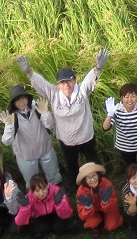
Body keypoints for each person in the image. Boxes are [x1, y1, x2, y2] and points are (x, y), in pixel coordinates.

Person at [17, 50, 109, 186]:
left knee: (93, 162)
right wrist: (29, 72)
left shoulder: (81, 91)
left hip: (86, 137)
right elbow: (41, 83)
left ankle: (101, 184)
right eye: (62, 83)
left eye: (69, 81)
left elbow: (89, 82)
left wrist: (98, 68)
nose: (66, 85)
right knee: (72, 166)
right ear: (58, 85)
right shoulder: (54, 93)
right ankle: (77, 187)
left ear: (75, 80)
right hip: (67, 141)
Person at [2, 84, 61, 187]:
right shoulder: (12, 117)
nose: (21, 102)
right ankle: (35, 201)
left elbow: (50, 125)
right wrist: (9, 126)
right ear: (13, 103)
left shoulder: (37, 109)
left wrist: (45, 113)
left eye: (23, 98)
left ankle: (56, 197)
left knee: (54, 177)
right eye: (17, 100)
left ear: (27, 98)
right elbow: (6, 141)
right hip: (25, 156)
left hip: (46, 149)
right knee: (32, 183)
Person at [15, 173, 74, 239]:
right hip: (40, 216)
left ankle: (67, 226)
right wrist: (25, 207)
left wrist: (59, 204)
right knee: (42, 228)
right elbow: (20, 222)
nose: (41, 193)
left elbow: (67, 214)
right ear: (32, 191)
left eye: (43, 189)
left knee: (59, 228)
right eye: (37, 191)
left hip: (56, 212)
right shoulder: (28, 198)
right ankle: (39, 231)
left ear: (47, 186)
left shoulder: (57, 192)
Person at [75, 162, 122, 239]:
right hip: (92, 210)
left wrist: (105, 201)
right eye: (88, 178)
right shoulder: (81, 190)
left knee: (112, 226)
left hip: (107, 207)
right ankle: (96, 223)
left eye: (94, 175)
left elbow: (114, 202)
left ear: (98, 175)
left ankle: (105, 218)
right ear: (84, 180)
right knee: (93, 223)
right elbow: (82, 213)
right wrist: (88, 206)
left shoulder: (106, 182)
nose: (92, 179)